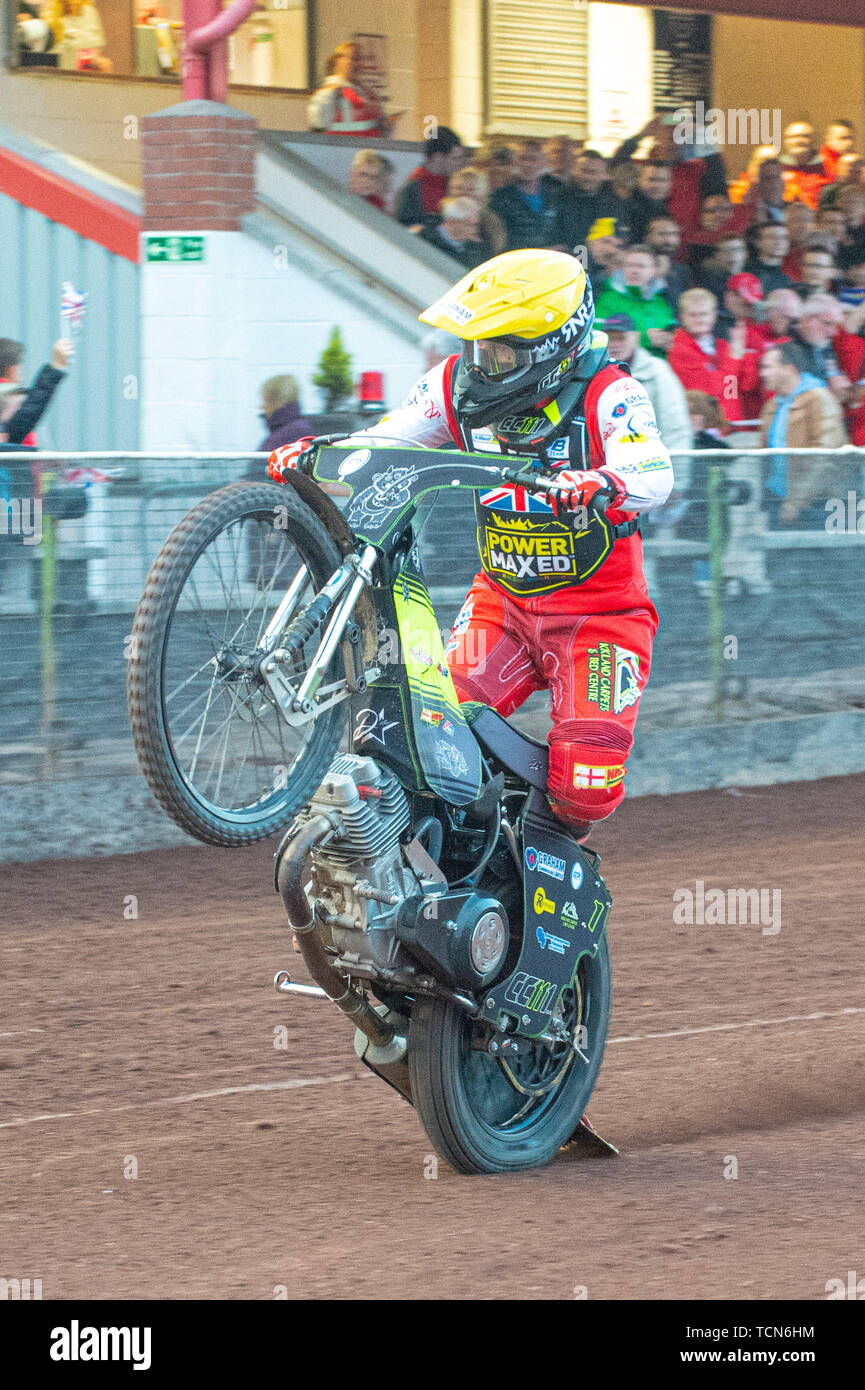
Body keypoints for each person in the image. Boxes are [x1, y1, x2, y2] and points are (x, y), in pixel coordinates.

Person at [268, 249, 674, 833]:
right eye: (477, 346)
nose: (482, 364)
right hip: (502, 608)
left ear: (552, 346)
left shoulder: (612, 394)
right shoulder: (452, 387)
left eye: (501, 350)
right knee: (429, 733)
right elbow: (387, 441)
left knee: (585, 793)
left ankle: (535, 836)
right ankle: (462, 855)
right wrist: (320, 454)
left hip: (600, 618)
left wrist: (601, 481)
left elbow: (656, 473)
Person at [758, 341, 846, 528]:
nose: (762, 373)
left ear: (789, 369)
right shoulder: (772, 405)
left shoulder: (818, 398)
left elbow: (824, 456)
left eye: (767, 367)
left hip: (816, 507)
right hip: (779, 501)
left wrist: (795, 502)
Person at [601, 313, 692, 454]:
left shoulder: (657, 371)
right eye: (610, 339)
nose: (614, 344)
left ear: (635, 338)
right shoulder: (595, 373)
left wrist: (676, 471)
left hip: (652, 462)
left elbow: (675, 426)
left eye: (621, 338)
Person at [667, 288, 757, 423]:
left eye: (703, 314)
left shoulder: (723, 347)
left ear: (713, 315)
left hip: (733, 425)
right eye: (693, 315)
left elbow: (746, 384)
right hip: (705, 429)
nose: (699, 320)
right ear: (682, 318)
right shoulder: (678, 350)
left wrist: (745, 352)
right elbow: (711, 391)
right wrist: (735, 358)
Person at [595, 244, 675, 357]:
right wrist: (645, 339)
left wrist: (670, 340)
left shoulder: (661, 302)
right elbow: (598, 336)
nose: (634, 271)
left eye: (641, 266)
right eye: (629, 265)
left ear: (653, 271)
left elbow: (673, 333)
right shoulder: (608, 300)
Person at [307, 41, 395, 137]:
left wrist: (387, 126)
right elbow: (317, 128)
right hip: (340, 149)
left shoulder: (370, 95)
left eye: (361, 60)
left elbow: (383, 133)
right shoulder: (328, 92)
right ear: (338, 61)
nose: (359, 64)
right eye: (354, 59)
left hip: (369, 150)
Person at [489, 137, 563, 250]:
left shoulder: (556, 196)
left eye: (533, 159)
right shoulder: (500, 197)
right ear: (515, 161)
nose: (528, 164)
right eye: (523, 158)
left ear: (544, 162)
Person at [554, 149, 626, 253]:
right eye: (583, 170)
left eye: (593, 172)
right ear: (574, 169)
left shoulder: (614, 202)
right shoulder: (558, 197)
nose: (587, 177)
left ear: (605, 175)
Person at [0, 337, 69, 445]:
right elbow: (30, 411)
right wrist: (56, 366)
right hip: (14, 460)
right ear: (12, 370)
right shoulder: (11, 396)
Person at [396, 127, 466, 230]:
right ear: (437, 157)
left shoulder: (456, 185)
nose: (460, 163)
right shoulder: (411, 190)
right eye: (454, 158)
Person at [447, 167, 507, 254]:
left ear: (483, 195)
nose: (464, 193)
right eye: (459, 188)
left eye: (471, 190)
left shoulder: (491, 227)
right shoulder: (437, 220)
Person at [420, 197, 490, 269]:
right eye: (469, 224)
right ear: (451, 220)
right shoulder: (424, 239)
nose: (475, 230)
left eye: (476, 224)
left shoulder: (476, 251)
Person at [779, 121, 831, 210]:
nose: (799, 140)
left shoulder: (827, 166)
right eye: (793, 137)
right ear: (785, 142)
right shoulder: (776, 168)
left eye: (804, 136)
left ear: (814, 141)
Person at [744, 223, 796, 296]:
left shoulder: (790, 271)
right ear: (757, 242)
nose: (779, 242)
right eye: (772, 237)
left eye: (784, 238)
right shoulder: (747, 272)